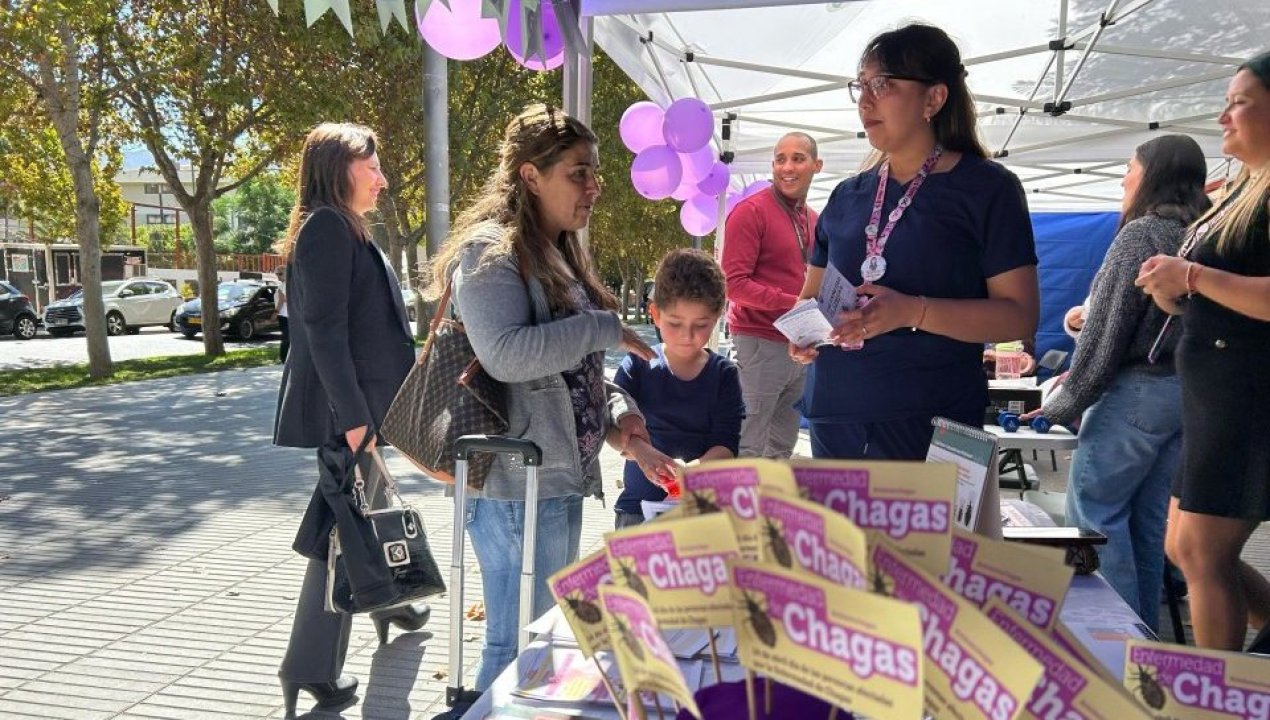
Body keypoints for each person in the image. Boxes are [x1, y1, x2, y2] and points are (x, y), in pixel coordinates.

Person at [428, 103, 655, 696]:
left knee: (540, 641)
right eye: (579, 172)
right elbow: (506, 354)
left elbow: (567, 377)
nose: (594, 188)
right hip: (511, 485)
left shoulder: (557, 251)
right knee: (514, 643)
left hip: (554, 479)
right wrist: (604, 326)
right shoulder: (489, 252)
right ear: (530, 176)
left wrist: (615, 416)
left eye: (596, 173)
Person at [791, 23, 1038, 460]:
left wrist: (912, 311)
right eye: (861, 85)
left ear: (934, 98)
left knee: (927, 533)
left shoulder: (987, 188)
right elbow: (810, 296)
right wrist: (804, 332)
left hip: (934, 421)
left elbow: (1018, 318)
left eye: (882, 84)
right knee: (843, 533)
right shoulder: (847, 195)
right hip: (836, 414)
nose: (866, 99)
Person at [1023, 134, 1211, 631]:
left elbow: (1108, 332)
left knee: (1094, 521)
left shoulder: (1142, 233)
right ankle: (1143, 644)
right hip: (1184, 395)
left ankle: (1116, 648)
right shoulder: (1205, 234)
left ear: (1152, 175)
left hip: (1136, 394)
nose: (1125, 178)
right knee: (1145, 527)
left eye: (1131, 167)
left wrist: (1062, 402)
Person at [272, 123, 429, 716]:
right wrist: (356, 419)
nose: (383, 178)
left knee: (357, 517)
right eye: (373, 167)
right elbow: (324, 332)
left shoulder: (343, 227)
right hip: (348, 414)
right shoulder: (326, 228)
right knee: (340, 530)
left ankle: (396, 605)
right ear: (339, 168)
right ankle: (309, 667)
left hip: (359, 411)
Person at [1136, 51, 1270, 651]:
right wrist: (1172, 289)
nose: (1223, 116)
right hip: (1212, 392)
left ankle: (1214, 701)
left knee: (1200, 553)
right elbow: (1208, 297)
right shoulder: (1241, 190)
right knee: (1183, 547)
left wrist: (1190, 278)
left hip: (1248, 393)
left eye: (1239, 101)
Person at [612, 248, 745, 528]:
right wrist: (639, 450)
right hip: (638, 510)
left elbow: (726, 443)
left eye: (701, 324)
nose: (687, 336)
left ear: (718, 317)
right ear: (655, 314)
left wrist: (690, 473)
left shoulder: (724, 374)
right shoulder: (637, 365)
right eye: (675, 323)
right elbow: (613, 431)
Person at [722, 132, 822, 459]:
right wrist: (792, 304)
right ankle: (736, 510)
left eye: (798, 158)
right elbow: (733, 284)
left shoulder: (816, 221)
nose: (787, 167)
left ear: (816, 166)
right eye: (780, 159)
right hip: (759, 343)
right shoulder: (750, 211)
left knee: (781, 447)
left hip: (803, 345)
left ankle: (768, 509)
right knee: (748, 444)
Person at [275, 264, 290, 363]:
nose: (278, 276)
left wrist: (275, 312)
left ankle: (284, 358)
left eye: (280, 274)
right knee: (287, 337)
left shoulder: (283, 285)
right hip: (287, 314)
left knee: (285, 337)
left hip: (284, 315)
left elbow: (281, 300)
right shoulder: (287, 284)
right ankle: (285, 357)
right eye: (277, 274)